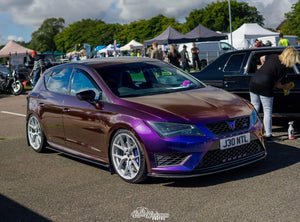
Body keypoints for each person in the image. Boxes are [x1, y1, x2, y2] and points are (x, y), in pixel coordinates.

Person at [249, 47, 300, 142]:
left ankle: (252, 133)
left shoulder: (274, 56)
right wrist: (286, 87)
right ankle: (268, 136)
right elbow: (278, 85)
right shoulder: (284, 67)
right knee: (267, 111)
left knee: (254, 108)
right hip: (265, 85)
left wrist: (263, 67)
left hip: (254, 81)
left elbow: (262, 58)